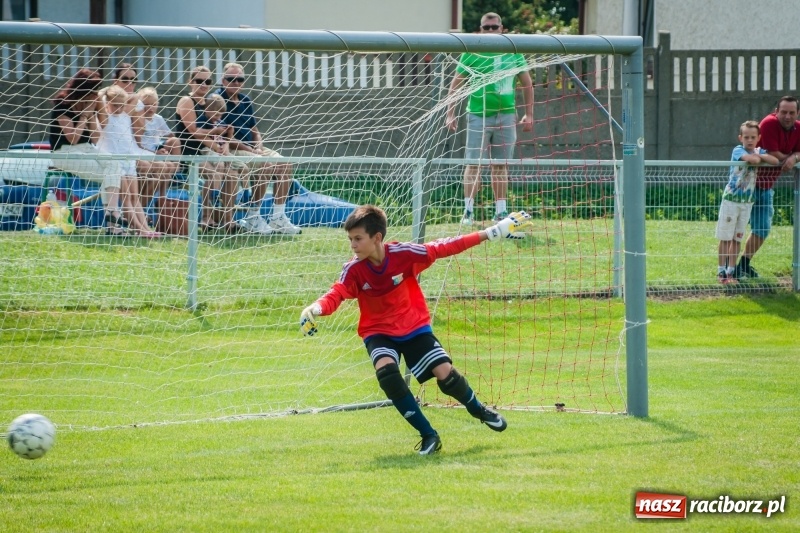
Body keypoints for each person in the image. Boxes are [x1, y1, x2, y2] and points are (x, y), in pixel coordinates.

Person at [299, 205, 533, 455]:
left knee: (446, 374)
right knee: (388, 374)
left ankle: (477, 408)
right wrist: (316, 308)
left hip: (414, 326)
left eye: (358, 239)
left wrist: (492, 232)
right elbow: (336, 294)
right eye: (350, 240)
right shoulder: (354, 269)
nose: (353, 246)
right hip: (378, 331)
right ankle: (429, 435)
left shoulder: (404, 254)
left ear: (377, 238)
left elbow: (444, 246)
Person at [445, 12, 534, 225]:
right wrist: (450, 113)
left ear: (502, 28)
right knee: (474, 164)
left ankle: (501, 212)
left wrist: (529, 114)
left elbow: (527, 84)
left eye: (495, 27)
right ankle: (468, 212)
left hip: (506, 116)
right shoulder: (472, 52)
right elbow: (455, 84)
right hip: (478, 116)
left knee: (500, 164)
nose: (491, 31)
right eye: (487, 28)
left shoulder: (513, 52)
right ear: (480, 30)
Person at [214, 62, 301, 235]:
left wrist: (259, 146)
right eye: (231, 79)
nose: (236, 83)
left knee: (285, 164)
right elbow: (224, 136)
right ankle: (253, 216)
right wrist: (253, 151)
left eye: (240, 79)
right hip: (231, 149)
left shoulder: (245, 100)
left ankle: (278, 217)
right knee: (266, 165)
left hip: (252, 148)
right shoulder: (217, 99)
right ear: (223, 81)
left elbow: (255, 130)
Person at [48, 68, 125, 235]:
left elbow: (96, 137)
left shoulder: (92, 103)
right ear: (82, 91)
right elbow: (73, 138)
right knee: (110, 175)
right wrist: (84, 116)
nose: (93, 96)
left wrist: (94, 114)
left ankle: (111, 215)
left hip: (87, 149)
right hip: (64, 152)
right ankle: (113, 219)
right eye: (91, 93)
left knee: (114, 164)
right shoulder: (63, 105)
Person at [735, 96, 800, 279]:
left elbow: (794, 155)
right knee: (735, 229)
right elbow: (773, 154)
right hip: (745, 185)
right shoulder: (769, 124)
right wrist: (790, 157)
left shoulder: (799, 128)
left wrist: (794, 158)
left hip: (766, 185)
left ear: (797, 113)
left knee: (762, 228)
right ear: (776, 111)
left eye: (791, 113)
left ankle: (744, 265)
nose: (787, 116)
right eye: (784, 112)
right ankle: (726, 271)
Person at [175, 66, 238, 233]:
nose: (204, 84)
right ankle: (206, 217)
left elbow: (219, 133)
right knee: (214, 173)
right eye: (199, 81)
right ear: (190, 82)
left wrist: (223, 144)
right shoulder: (186, 101)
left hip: (206, 151)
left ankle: (228, 219)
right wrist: (217, 143)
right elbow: (194, 132)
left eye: (208, 81)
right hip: (189, 153)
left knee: (232, 175)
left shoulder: (209, 103)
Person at [109, 64, 178, 218]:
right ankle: (135, 212)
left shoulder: (137, 102)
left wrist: (136, 110)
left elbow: (139, 132)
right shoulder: (107, 97)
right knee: (148, 167)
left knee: (164, 167)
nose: (129, 83)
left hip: (132, 147)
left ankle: (140, 210)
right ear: (115, 80)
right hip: (113, 148)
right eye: (125, 79)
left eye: (133, 80)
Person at [716, 121, 778, 284]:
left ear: (759, 138)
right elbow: (752, 160)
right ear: (740, 138)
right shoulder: (738, 150)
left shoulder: (759, 151)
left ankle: (731, 272)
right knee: (726, 238)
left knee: (737, 238)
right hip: (731, 201)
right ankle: (721, 271)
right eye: (746, 137)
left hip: (746, 202)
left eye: (753, 137)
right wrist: (758, 156)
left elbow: (774, 160)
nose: (749, 140)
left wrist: (761, 155)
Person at [95, 85, 160, 236]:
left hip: (128, 159)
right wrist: (108, 91)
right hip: (115, 161)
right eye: (115, 105)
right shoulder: (104, 116)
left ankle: (145, 229)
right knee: (126, 200)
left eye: (122, 105)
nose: (119, 108)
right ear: (107, 103)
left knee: (134, 197)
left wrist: (123, 95)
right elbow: (98, 95)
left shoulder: (126, 114)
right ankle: (139, 229)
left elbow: (137, 97)